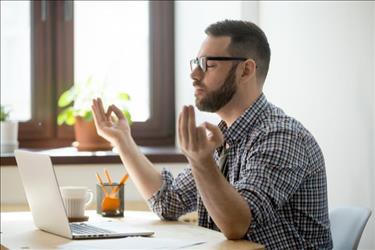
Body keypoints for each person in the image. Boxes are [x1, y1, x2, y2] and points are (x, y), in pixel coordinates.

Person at [91, 20, 332, 249]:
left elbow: (237, 225)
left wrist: (202, 161)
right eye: (195, 63)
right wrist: (122, 141)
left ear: (246, 70)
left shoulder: (281, 136)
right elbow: (167, 202)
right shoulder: (223, 137)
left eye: (208, 64)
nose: (194, 74)